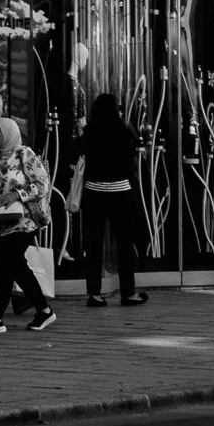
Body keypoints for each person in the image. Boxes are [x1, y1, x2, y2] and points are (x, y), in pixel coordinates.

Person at [0, 112, 56, 334]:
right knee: (15, 265)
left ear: (8, 134)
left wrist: (17, 194)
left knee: (7, 264)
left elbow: (43, 184)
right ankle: (44, 311)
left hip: (23, 222)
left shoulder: (24, 155)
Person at [73, 85, 148, 310]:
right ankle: (128, 292)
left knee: (93, 245)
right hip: (120, 193)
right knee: (124, 244)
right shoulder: (125, 132)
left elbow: (79, 155)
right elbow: (131, 165)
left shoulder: (89, 132)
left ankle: (94, 293)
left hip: (94, 193)